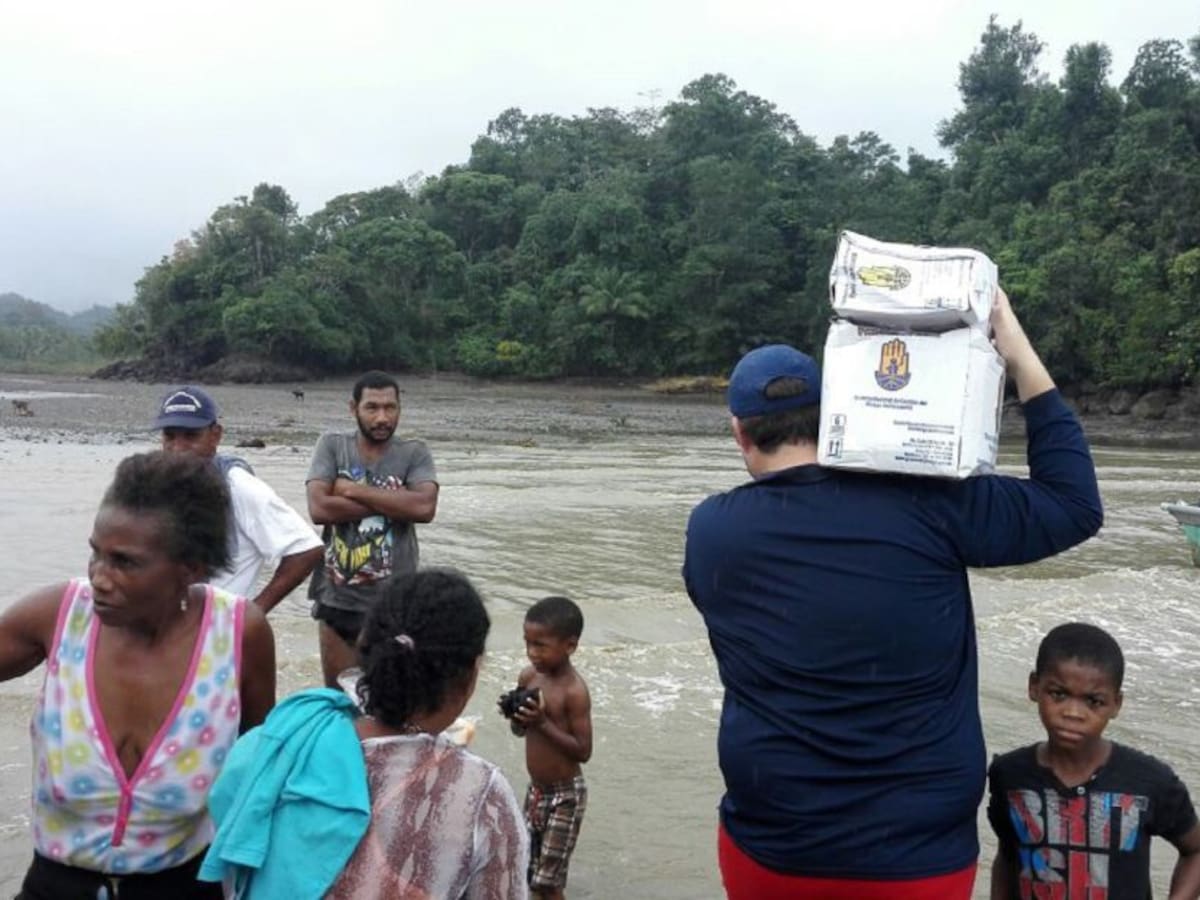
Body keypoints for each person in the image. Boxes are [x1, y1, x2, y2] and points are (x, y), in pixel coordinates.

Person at [682, 288, 1104, 899]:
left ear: (739, 432)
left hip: (773, 843)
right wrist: (1012, 346)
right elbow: (1073, 505)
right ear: (835, 413)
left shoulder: (711, 531)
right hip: (916, 853)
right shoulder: (926, 501)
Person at [0, 451, 276, 898]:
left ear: (191, 568)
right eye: (96, 553)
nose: (100, 578)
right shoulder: (59, 616)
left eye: (124, 562)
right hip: (56, 887)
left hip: (187, 887)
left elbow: (259, 768)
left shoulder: (239, 634)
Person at [204, 568, 529, 897]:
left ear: (366, 648)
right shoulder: (482, 796)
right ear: (471, 675)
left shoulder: (286, 735)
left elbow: (230, 833)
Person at [988, 622, 1200, 899]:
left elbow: (1195, 849)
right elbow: (1007, 855)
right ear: (1034, 687)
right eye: (1058, 694)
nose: (1073, 712)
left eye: (1093, 701)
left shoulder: (1150, 781)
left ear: (1116, 704)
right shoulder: (1009, 774)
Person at [306, 370, 439, 687]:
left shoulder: (414, 452)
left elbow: (424, 508)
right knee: (339, 702)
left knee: (391, 704)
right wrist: (397, 501)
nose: (382, 417)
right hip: (338, 599)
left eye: (390, 408)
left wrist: (352, 490)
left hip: (396, 604)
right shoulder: (333, 446)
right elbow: (319, 509)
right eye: (372, 407)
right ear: (353, 408)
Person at [154, 385, 324, 613]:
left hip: (217, 634)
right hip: (166, 631)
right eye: (170, 436)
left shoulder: (238, 487)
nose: (178, 448)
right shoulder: (160, 487)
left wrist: (252, 614)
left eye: (191, 436)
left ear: (215, 436)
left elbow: (306, 548)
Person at [503, 596, 593, 900]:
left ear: (570, 645)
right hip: (537, 791)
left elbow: (583, 750)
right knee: (529, 870)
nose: (531, 653)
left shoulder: (574, 691)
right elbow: (519, 730)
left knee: (548, 882)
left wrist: (542, 723)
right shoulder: (528, 677)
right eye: (527, 643)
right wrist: (515, 715)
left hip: (566, 795)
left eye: (540, 645)